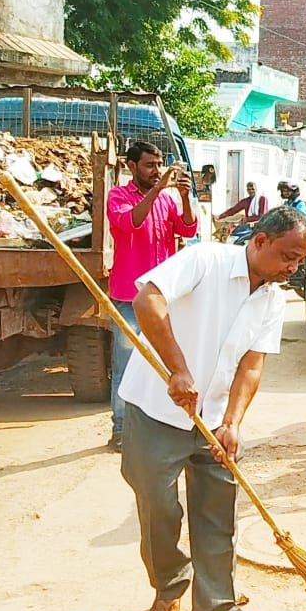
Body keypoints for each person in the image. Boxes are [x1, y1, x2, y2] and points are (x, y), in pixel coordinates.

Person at [119, 206, 306, 611]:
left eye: (299, 260)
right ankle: (169, 584)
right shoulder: (205, 260)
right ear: (259, 241)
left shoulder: (274, 298)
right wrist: (177, 368)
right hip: (157, 408)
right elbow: (146, 299)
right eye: (287, 257)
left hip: (213, 421)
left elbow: (252, 366)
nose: (292, 268)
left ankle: (216, 607)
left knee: (217, 511)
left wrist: (233, 422)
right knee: (157, 505)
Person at [106, 141, 198, 452]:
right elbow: (130, 222)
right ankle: (121, 429)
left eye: (159, 165)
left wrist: (184, 198)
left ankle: (158, 423)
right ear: (131, 167)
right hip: (129, 297)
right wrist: (158, 189)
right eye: (149, 165)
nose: (156, 171)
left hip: (164, 296)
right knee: (125, 363)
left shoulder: (168, 199)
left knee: (167, 360)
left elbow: (187, 230)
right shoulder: (118, 196)